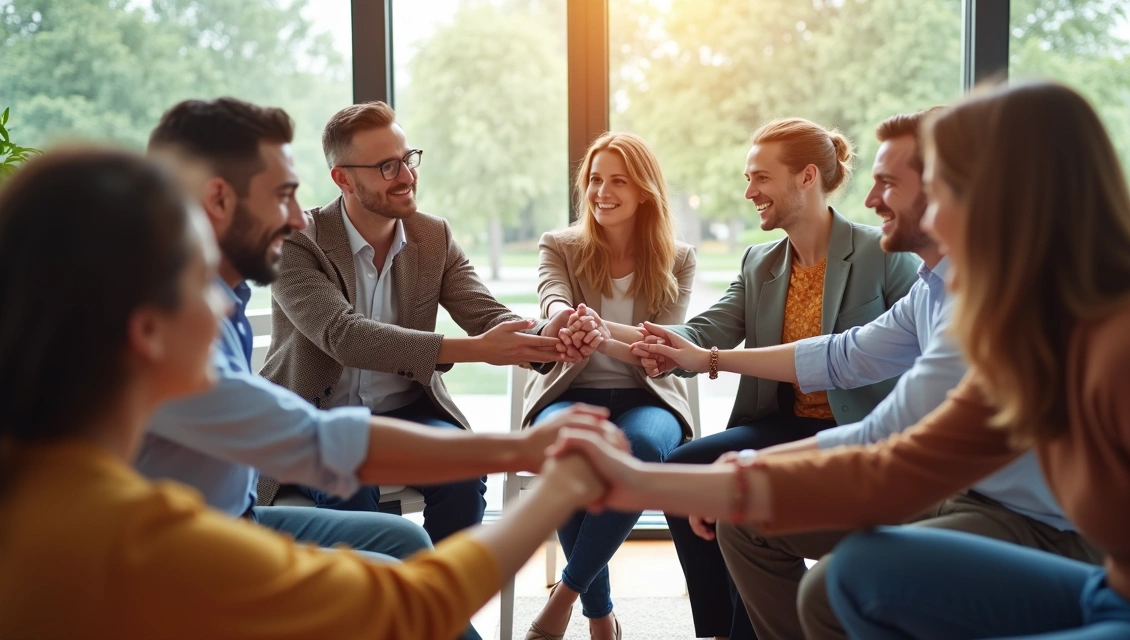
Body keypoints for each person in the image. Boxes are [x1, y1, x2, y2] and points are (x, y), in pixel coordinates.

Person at [554, 81, 1130, 640]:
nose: (878, 203)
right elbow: (894, 461)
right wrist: (652, 481)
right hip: (1114, 591)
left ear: (1007, 196)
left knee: (855, 575)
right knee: (851, 578)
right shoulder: (1019, 328)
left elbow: (885, 446)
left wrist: (669, 477)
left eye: (946, 185)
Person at [0, 147, 613, 640]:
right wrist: (549, 481)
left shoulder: (51, 478)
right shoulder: (140, 538)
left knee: (407, 541)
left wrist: (541, 341)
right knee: (391, 578)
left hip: (339, 448)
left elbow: (481, 314)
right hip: (296, 451)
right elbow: (412, 599)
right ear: (145, 332)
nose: (226, 306)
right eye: (198, 282)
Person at [641, 108, 1101, 640]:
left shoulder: (986, 302)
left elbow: (881, 433)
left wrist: (740, 474)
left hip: (1026, 518)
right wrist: (708, 361)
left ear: (946, 188)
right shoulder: (932, 287)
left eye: (888, 184)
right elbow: (838, 355)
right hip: (954, 488)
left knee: (834, 586)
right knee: (745, 525)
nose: (868, 198)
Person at [642, 117, 919, 639]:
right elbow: (703, 331)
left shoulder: (884, 255)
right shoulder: (759, 262)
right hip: (787, 423)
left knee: (740, 505)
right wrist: (600, 329)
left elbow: (906, 362)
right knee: (685, 474)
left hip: (860, 427)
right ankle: (721, 631)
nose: (749, 192)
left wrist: (707, 359)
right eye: (749, 178)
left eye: (761, 178)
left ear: (807, 177)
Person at [260, 100, 574, 540]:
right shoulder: (297, 240)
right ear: (342, 179)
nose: (407, 176)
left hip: (407, 411)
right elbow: (344, 336)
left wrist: (546, 335)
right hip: (319, 417)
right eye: (387, 167)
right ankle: (383, 607)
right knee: (351, 489)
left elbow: (485, 313)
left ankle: (447, 606)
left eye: (408, 159)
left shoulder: (433, 236)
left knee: (465, 470)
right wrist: (476, 352)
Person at [521, 132, 696, 640]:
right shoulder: (560, 245)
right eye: (595, 179)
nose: (602, 191)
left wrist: (599, 333)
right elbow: (551, 295)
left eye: (618, 180)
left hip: (648, 397)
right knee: (567, 448)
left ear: (644, 190)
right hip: (570, 394)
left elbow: (662, 347)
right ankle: (601, 617)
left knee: (638, 447)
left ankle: (567, 596)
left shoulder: (677, 258)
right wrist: (562, 320)